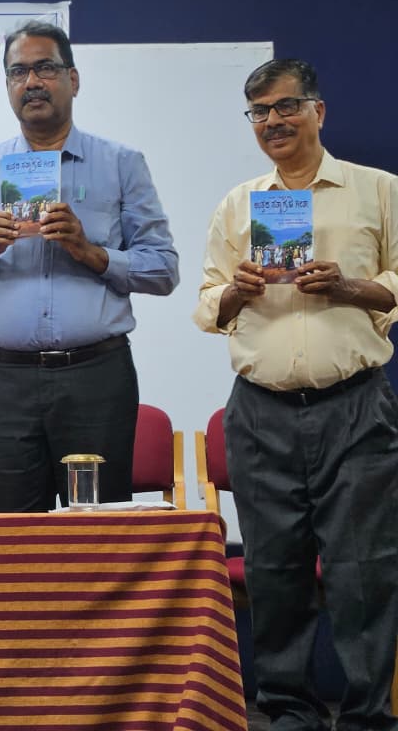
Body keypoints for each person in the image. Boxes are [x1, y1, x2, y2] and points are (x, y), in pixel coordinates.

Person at [194, 58, 398, 731]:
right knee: (274, 572)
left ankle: (368, 717)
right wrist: (237, 291)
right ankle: (287, 714)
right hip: (260, 410)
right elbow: (207, 303)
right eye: (259, 112)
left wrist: (349, 287)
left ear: (318, 111)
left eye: (286, 107)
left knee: (363, 571)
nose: (272, 122)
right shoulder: (238, 204)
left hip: (355, 405)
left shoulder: (379, 190)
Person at [0, 21, 179, 512]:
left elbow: (163, 269)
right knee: (15, 534)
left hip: (96, 378)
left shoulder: (121, 163)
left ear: (73, 79)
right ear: (7, 85)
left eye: (45, 68)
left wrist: (91, 253)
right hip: (5, 382)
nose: (32, 82)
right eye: (18, 72)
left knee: (96, 531)